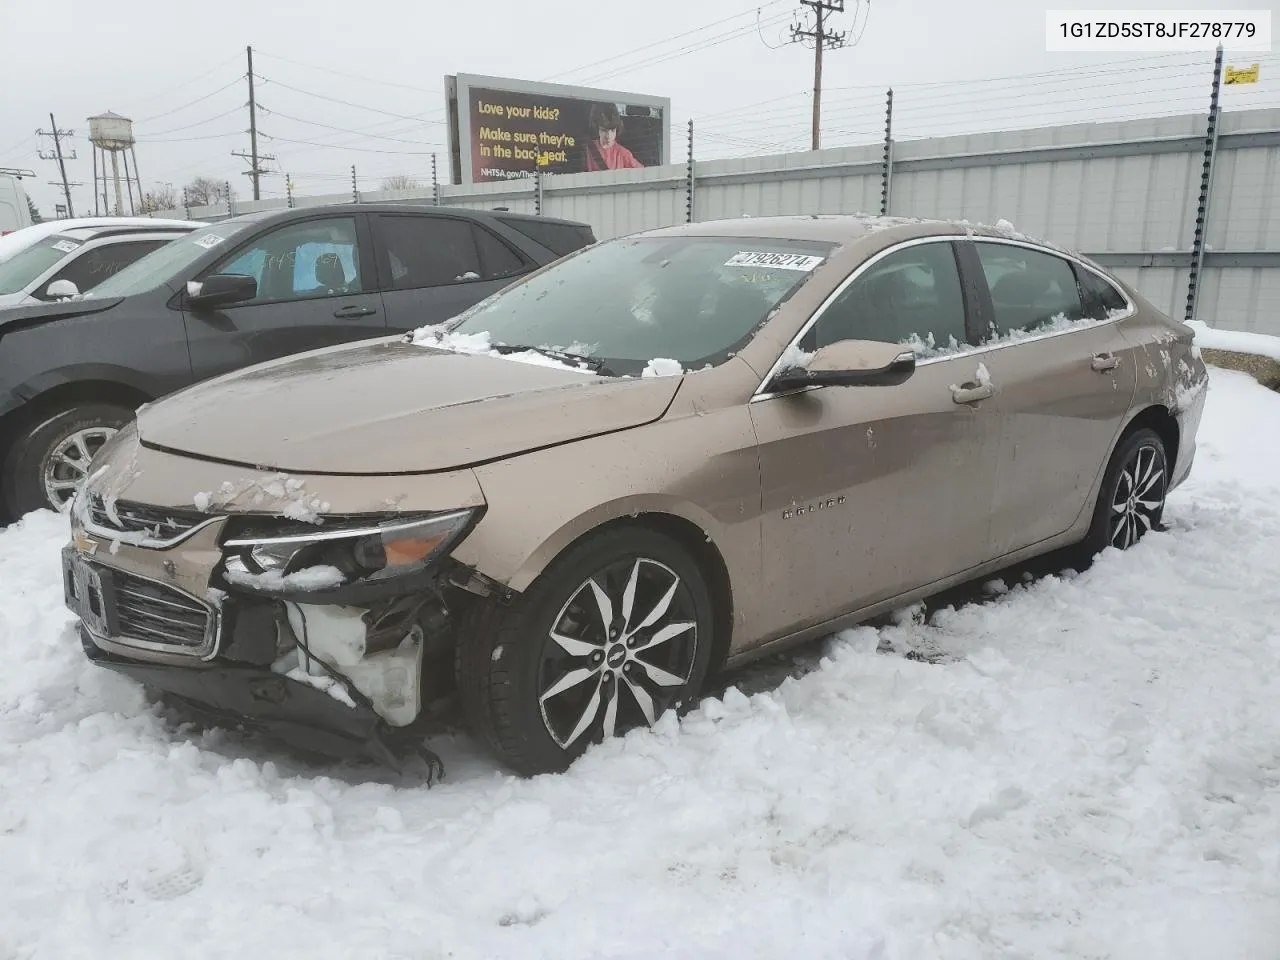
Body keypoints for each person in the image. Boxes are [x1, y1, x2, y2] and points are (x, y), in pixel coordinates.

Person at [585, 103, 644, 171]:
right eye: (604, 130)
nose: (608, 136)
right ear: (597, 128)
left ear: (617, 129)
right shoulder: (587, 149)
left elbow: (643, 173)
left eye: (613, 130)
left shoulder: (623, 154)